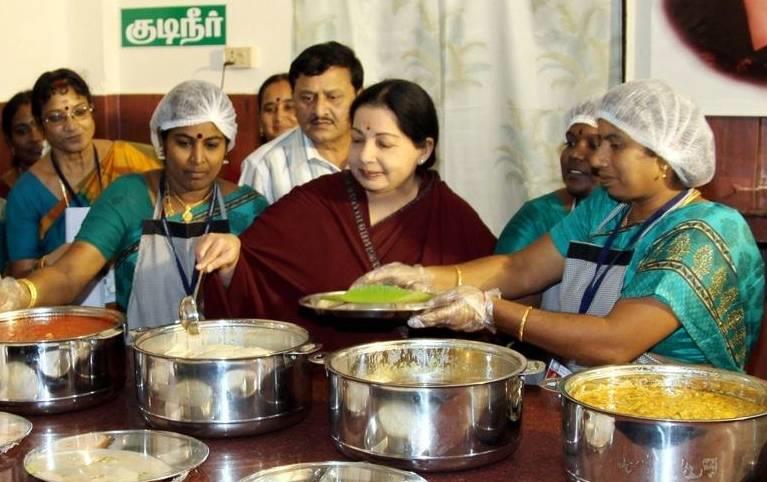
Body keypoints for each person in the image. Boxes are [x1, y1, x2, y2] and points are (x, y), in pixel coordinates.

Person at [354, 79, 765, 372]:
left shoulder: (703, 232)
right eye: (598, 141)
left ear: (663, 157)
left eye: (614, 145)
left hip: (677, 421)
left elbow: (614, 342)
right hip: (594, 399)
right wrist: (425, 279)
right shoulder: (606, 207)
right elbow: (519, 269)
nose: (597, 159)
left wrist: (491, 311)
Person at [200, 79, 496, 349]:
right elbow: (251, 270)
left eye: (384, 143)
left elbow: (498, 293)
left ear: (424, 149)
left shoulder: (452, 217)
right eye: (357, 139)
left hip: (421, 385)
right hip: (325, 384)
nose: (366, 156)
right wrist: (231, 256)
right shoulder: (315, 201)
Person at [0, 80, 268, 328]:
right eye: (183, 143)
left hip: (230, 364)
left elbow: (265, 297)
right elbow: (70, 273)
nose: (197, 159)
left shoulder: (249, 208)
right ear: (162, 142)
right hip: (146, 366)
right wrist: (21, 293)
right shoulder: (128, 196)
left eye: (211, 145)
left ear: (227, 146)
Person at [5, 68, 161, 278]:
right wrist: (52, 262)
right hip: (66, 302)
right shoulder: (26, 193)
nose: (72, 126)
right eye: (56, 117)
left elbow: (172, 213)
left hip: (140, 289)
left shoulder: (127, 159)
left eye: (79, 112)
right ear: (41, 125)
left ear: (91, 110)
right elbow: (21, 278)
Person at [495, 99, 599, 310]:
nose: (575, 154)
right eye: (570, 143)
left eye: (593, 145)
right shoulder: (539, 215)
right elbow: (506, 287)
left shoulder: (637, 221)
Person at [238, 41, 363, 203]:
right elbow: (248, 229)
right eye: (307, 98)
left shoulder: (381, 154)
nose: (319, 110)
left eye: (333, 97)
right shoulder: (264, 166)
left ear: (359, 98)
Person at [1, 90, 45, 195]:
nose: (35, 138)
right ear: (10, 142)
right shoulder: (4, 190)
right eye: (22, 131)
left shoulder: (78, 179)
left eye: (40, 125)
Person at [257, 73, 297, 143]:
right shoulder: (256, 154)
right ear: (260, 122)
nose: (279, 117)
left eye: (289, 107)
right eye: (270, 109)